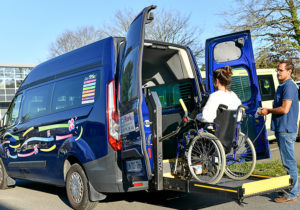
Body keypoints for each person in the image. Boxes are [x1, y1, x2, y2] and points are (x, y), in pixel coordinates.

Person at [258, 60, 299, 203]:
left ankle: (292, 194)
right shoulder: (282, 86)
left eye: (281, 70)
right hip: (282, 129)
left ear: (289, 71)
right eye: (277, 70)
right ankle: (295, 189)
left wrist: (268, 110)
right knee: (288, 161)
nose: (278, 73)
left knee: (289, 162)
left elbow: (285, 109)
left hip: (285, 130)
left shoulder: (289, 87)